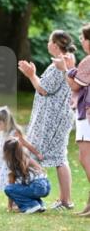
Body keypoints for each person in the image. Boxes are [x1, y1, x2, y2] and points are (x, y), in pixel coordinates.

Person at [18, 30, 75, 209]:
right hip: (57, 117)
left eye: (50, 41)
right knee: (59, 157)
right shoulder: (66, 60)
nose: (47, 44)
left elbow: (43, 89)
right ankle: (64, 200)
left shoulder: (61, 62)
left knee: (43, 154)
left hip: (54, 120)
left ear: (56, 45)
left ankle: (29, 196)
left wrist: (31, 75)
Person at [60, 22, 90, 216]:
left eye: (83, 38)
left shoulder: (88, 61)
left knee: (85, 156)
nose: (81, 41)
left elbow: (75, 85)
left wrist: (68, 68)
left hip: (86, 113)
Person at [0, 105, 41, 210]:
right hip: (3, 162)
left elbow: (24, 144)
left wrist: (37, 153)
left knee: (12, 181)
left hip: (13, 161)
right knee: (7, 182)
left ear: (5, 122)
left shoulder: (14, 132)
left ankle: (14, 203)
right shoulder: (3, 132)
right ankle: (13, 203)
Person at [3, 138, 51, 213]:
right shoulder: (26, 157)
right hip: (46, 185)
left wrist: (9, 206)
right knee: (27, 188)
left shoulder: (11, 165)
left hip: (36, 187)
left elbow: (11, 186)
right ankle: (40, 205)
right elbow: (41, 170)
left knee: (8, 189)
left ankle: (31, 206)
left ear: (6, 152)